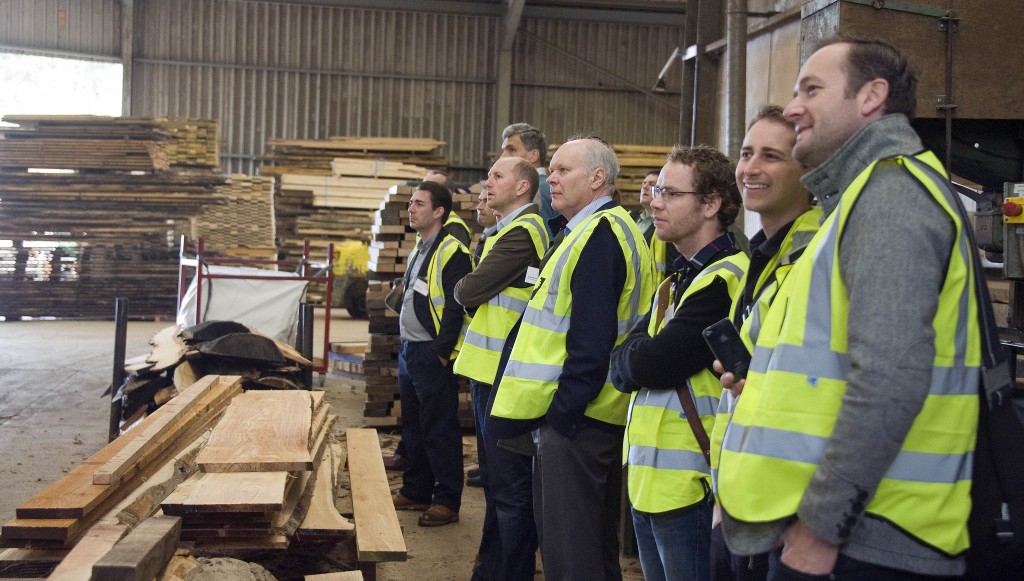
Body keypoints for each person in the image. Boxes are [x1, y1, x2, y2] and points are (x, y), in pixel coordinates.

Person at [716, 37, 986, 579]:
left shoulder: (891, 197)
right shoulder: (859, 199)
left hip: (866, 539)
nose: (793, 108)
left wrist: (820, 527)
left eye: (811, 90)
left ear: (872, 97)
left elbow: (890, 378)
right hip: (841, 531)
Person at [489, 135, 656, 580]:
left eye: (563, 170)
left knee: (570, 557)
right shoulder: (597, 229)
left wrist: (562, 418)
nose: (552, 179)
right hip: (593, 415)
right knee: (593, 548)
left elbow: (591, 340)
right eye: (553, 170)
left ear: (598, 178)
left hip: (579, 421)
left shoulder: (599, 236)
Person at [610, 146, 748, 581]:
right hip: (651, 480)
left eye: (669, 193)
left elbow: (652, 364)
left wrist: (636, 357)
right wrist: (636, 357)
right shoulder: (676, 282)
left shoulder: (725, 280)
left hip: (693, 483)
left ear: (711, 204)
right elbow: (623, 362)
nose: (654, 201)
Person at [707, 105, 820, 581]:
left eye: (771, 156)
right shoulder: (765, 254)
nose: (750, 168)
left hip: (786, 505)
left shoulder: (815, 258)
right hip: (742, 489)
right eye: (747, 153)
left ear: (809, 171)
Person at [453, 157, 550, 581]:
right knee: (496, 484)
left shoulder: (525, 232)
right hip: (490, 371)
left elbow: (467, 290)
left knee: (510, 490)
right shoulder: (506, 230)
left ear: (524, 187)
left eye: (497, 176)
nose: (486, 184)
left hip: (506, 376)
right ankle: (491, 570)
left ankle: (511, 573)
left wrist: (469, 289)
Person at [391, 180, 472, 528]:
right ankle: (417, 488)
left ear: (439, 211)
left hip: (430, 353)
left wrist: (442, 351)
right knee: (413, 426)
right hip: (410, 350)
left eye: (419, 204)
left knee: (439, 428)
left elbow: (457, 304)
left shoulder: (453, 250)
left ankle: (447, 499)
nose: (411, 208)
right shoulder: (418, 249)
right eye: (410, 202)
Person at [500, 123, 559, 229]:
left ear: (533, 156)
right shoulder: (546, 186)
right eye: (503, 150)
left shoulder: (533, 191)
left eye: (512, 150)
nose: (502, 156)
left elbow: (543, 239)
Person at [632, 168, 681, 280]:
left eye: (651, 184)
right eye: (644, 183)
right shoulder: (631, 217)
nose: (645, 187)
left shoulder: (667, 225)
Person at [425, 170, 473, 246]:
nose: (422, 192)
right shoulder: (426, 223)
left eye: (430, 188)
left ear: (447, 194)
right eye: (423, 187)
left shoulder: (455, 227)